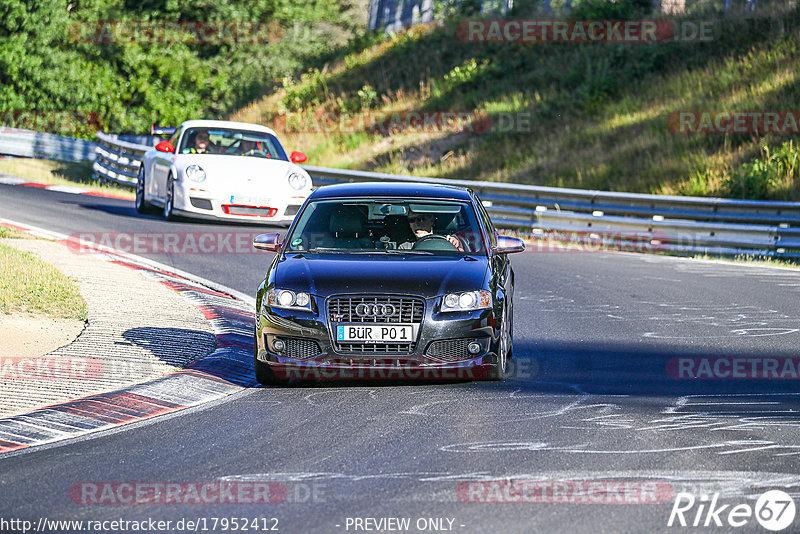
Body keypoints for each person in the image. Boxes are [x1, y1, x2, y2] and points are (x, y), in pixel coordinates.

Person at [399, 210, 464, 250]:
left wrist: (454, 246)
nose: (417, 224)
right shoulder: (405, 248)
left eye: (421, 219)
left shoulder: (449, 241)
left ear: (432, 221)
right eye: (412, 220)